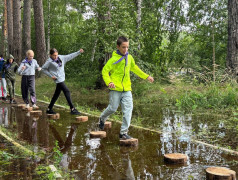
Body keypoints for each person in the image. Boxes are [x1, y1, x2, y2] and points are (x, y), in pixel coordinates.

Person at [98, 36, 154, 140]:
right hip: (115, 89)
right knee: (113, 108)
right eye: (123, 47)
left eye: (127, 47)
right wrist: (109, 82)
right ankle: (102, 118)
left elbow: (135, 68)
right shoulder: (113, 59)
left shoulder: (130, 58)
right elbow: (105, 71)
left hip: (127, 89)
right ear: (118, 46)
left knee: (128, 110)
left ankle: (123, 133)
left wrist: (147, 76)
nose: (126, 49)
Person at [42, 48, 84, 115]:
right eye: (54, 55)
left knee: (56, 94)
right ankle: (72, 108)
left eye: (56, 55)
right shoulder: (49, 62)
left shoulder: (61, 57)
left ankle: (49, 109)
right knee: (67, 91)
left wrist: (78, 52)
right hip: (57, 79)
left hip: (62, 78)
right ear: (50, 55)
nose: (55, 57)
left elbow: (70, 56)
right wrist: (50, 75)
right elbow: (43, 69)